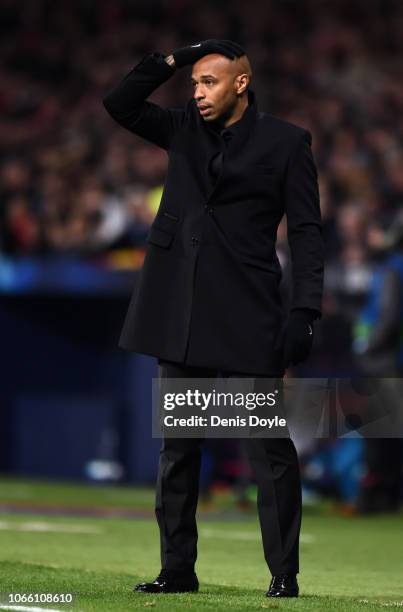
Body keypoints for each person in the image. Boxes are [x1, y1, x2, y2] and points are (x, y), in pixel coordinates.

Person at [103, 39, 324, 598]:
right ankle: (177, 569)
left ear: (241, 84)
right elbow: (119, 102)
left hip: (248, 314)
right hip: (179, 311)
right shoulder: (180, 128)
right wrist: (174, 59)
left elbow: (305, 232)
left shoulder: (287, 142)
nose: (197, 93)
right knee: (177, 448)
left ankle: (284, 575)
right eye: (194, 83)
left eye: (210, 82)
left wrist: (305, 311)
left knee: (267, 449)